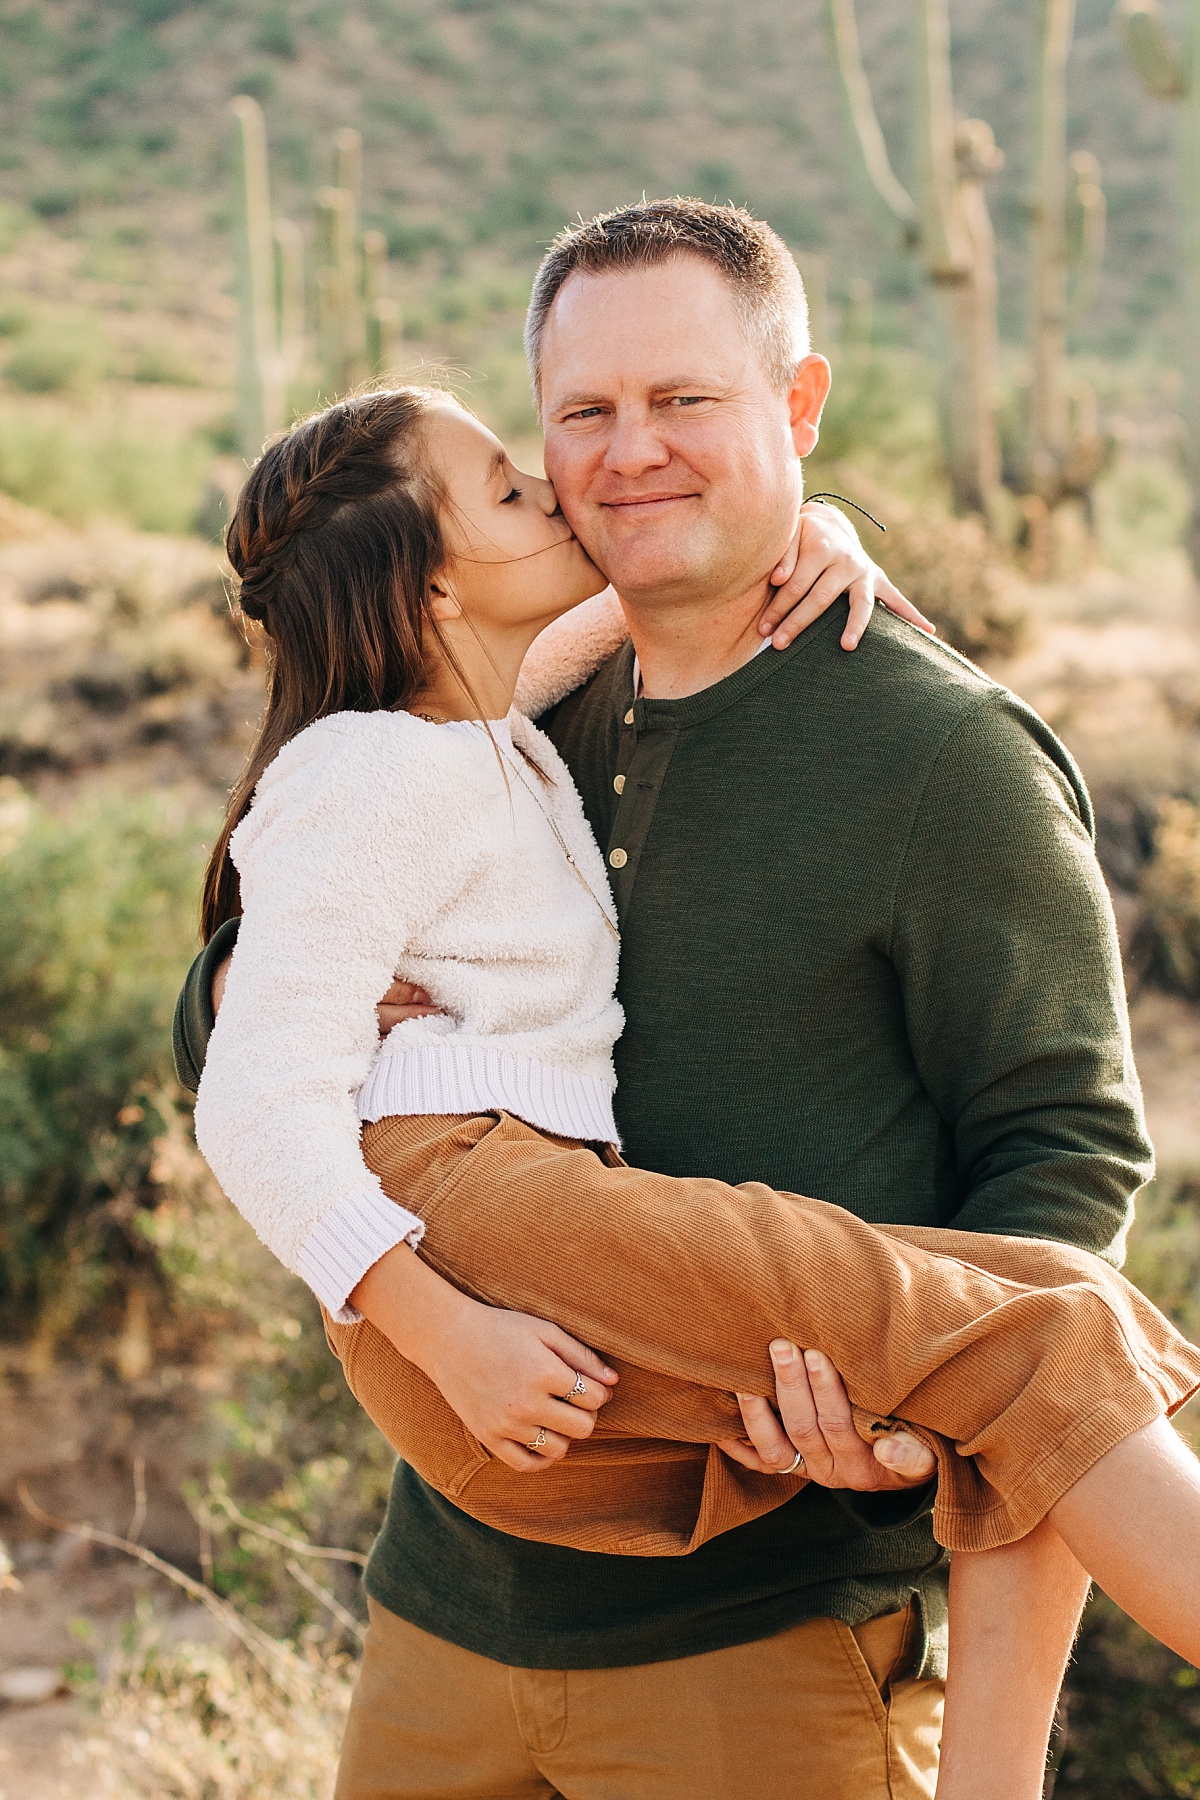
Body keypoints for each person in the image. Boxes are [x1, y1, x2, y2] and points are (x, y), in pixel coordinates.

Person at [174, 201, 1170, 1800]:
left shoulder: (941, 757)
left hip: (768, 1638)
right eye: (579, 419)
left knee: (1059, 1339)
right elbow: (252, 1003)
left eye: (687, 402)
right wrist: (290, 1008)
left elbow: (1061, 1162)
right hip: (450, 1600)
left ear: (797, 406)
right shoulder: (518, 700)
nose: (627, 454)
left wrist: (908, 1450)